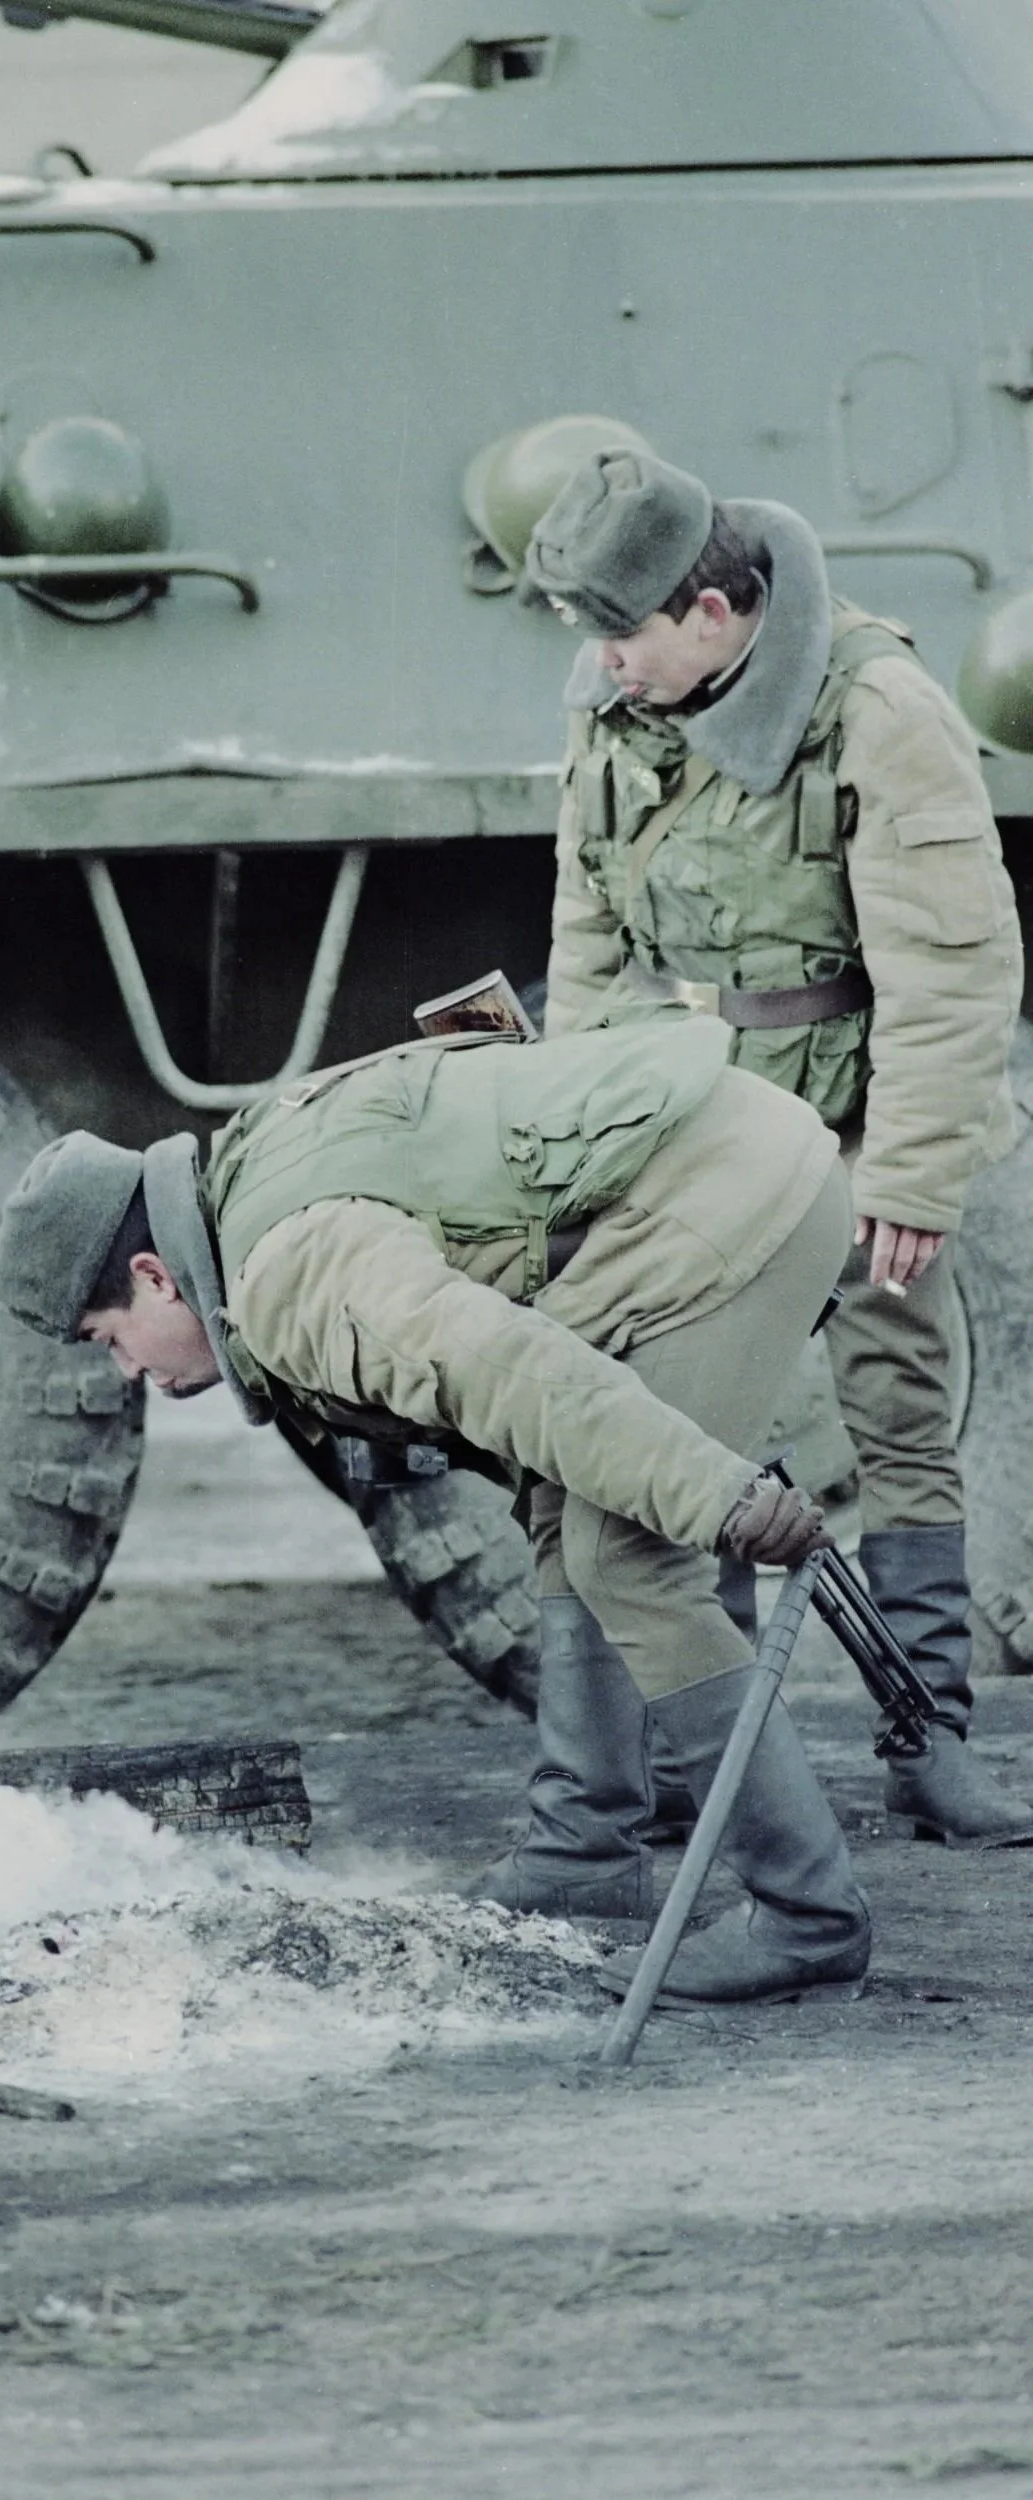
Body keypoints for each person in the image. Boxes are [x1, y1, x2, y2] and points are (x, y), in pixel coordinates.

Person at [0, 1008, 871, 2007]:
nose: (130, 1370)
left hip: (743, 1191)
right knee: (565, 1509)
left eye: (111, 1338)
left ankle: (806, 1915)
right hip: (711, 1160)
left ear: (153, 1275)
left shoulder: (292, 1279)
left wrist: (715, 1493)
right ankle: (584, 1852)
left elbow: (513, 1372)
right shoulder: (241, 1189)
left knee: (631, 1557)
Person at [524, 448, 1029, 1850]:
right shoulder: (615, 698)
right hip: (692, 1122)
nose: (604, 665)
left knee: (895, 1422)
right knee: (694, 1435)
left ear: (708, 609)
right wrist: (577, 1131)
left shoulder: (875, 707)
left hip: (855, 1111)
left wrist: (914, 1173)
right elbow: (585, 933)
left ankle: (926, 1747)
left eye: (625, 635)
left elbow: (948, 962)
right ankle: (724, 1766)